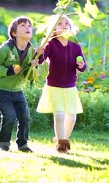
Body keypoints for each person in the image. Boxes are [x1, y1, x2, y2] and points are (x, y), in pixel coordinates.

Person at [36, 15, 86, 154]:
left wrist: (81, 65)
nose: (63, 26)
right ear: (53, 29)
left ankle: (62, 138)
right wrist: (39, 52)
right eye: (59, 24)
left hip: (70, 86)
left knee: (72, 117)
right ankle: (62, 145)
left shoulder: (75, 45)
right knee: (59, 115)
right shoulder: (51, 44)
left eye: (66, 24)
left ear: (71, 28)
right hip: (54, 86)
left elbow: (83, 65)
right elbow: (41, 60)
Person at [0, 15, 38, 152]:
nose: (27, 27)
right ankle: (4, 143)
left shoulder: (32, 51)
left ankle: (23, 144)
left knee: (25, 117)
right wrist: (9, 70)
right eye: (23, 25)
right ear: (14, 33)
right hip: (1, 88)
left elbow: (30, 76)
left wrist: (34, 67)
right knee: (9, 116)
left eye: (29, 26)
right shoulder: (5, 49)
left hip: (17, 89)